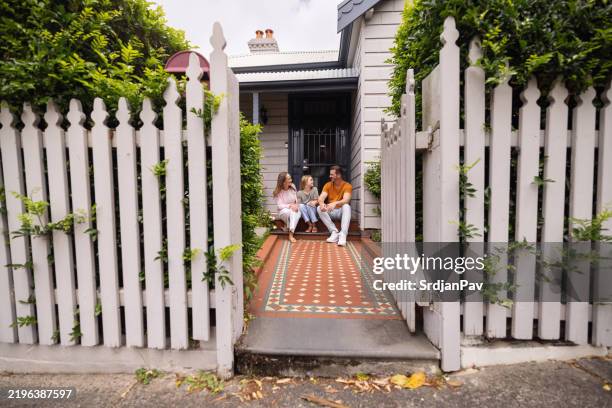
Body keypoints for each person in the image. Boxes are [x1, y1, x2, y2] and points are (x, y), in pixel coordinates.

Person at [317, 165, 352, 247]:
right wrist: (322, 204)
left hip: (341, 212)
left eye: (332, 174)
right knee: (319, 208)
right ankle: (334, 232)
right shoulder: (328, 185)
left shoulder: (347, 186)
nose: (330, 176)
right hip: (330, 211)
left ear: (338, 175)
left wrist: (335, 203)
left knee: (347, 206)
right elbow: (321, 198)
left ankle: (343, 235)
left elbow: (346, 200)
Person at [273, 172, 301, 243]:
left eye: (290, 178)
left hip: (293, 209)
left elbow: (297, 199)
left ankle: (290, 231)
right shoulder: (279, 192)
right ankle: (290, 232)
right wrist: (289, 205)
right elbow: (279, 206)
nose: (291, 180)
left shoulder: (293, 187)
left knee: (294, 213)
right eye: (289, 179)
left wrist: (296, 205)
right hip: (283, 211)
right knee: (291, 212)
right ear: (283, 181)